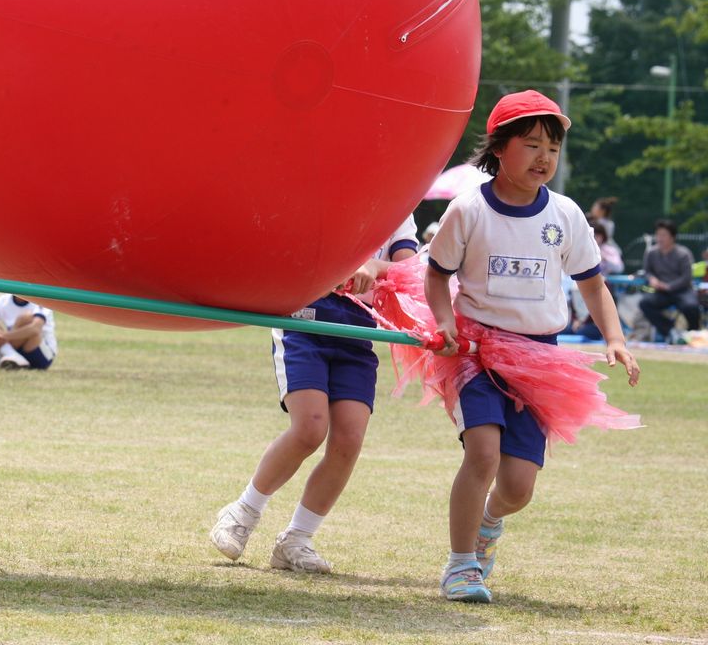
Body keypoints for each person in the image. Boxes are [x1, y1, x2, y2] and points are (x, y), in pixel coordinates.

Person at [425, 90, 639, 604]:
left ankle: (489, 524)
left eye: (553, 148)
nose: (545, 158)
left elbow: (592, 285)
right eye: (532, 144)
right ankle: (460, 568)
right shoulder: (468, 209)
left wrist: (615, 338)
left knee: (518, 486)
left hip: (539, 358)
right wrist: (444, 321)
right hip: (476, 353)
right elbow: (436, 278)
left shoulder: (565, 215)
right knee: (482, 453)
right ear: (500, 148)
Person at [209, 216, 419, 575]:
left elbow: (408, 268)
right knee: (309, 428)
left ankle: (296, 540)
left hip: (358, 330)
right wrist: (322, 272)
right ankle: (242, 512)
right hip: (304, 320)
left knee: (349, 440)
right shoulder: (328, 184)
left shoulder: (399, 196)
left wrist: (371, 267)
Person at [638, 219, 701, 343]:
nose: (660, 238)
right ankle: (670, 331)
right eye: (658, 235)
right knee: (645, 303)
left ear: (672, 237)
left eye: (663, 235)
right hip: (661, 292)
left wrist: (668, 286)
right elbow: (647, 272)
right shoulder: (651, 253)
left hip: (682, 291)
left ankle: (693, 334)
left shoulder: (684, 254)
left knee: (691, 306)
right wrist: (652, 279)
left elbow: (686, 277)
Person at [0, 294, 58, 370]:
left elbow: (35, 329)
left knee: (26, 318)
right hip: (15, 346)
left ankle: (3, 353)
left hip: (40, 354)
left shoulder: (40, 301)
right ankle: (9, 354)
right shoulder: (4, 299)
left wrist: (2, 336)